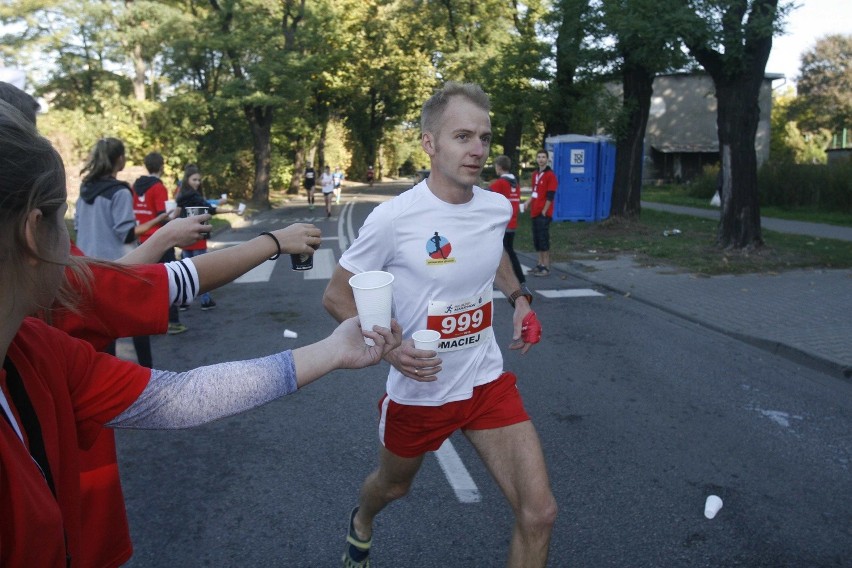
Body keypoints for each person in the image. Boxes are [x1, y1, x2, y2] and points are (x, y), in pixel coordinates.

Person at [0, 101, 402, 566]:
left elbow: (181, 397)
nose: (75, 252)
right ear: (34, 233)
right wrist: (272, 243)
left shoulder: (36, 349)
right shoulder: (39, 345)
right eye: (63, 226)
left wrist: (332, 350)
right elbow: (165, 291)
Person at [323, 82, 556, 568]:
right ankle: (362, 520)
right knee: (393, 487)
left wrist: (519, 299)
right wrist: (389, 350)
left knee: (539, 514)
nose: (477, 150)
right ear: (429, 143)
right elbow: (336, 295)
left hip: (484, 381)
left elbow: (495, 257)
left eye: (485, 138)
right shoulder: (394, 218)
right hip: (421, 387)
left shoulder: (496, 206)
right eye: (463, 136)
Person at [133, 151, 186, 336]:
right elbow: (161, 216)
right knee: (167, 278)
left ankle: (148, 320)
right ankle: (172, 322)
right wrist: (176, 215)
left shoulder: (136, 186)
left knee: (146, 282)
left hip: (141, 239)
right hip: (159, 240)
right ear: (162, 166)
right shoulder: (158, 187)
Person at [175, 164, 238, 311]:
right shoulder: (194, 195)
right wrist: (231, 210)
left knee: (186, 268)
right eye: (194, 179)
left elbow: (178, 212)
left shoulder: (181, 194)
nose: (197, 182)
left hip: (185, 235)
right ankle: (205, 300)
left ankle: (184, 300)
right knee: (201, 269)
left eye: (198, 180)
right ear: (187, 180)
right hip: (198, 234)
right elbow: (209, 208)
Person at [488, 154, 530, 291]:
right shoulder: (515, 184)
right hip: (512, 223)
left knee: (501, 253)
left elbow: (485, 194)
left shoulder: (500, 183)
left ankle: (510, 281)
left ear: (498, 167)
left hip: (502, 225)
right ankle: (520, 279)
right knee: (509, 251)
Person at [527, 149, 558, 277]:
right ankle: (540, 264)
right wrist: (528, 202)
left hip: (543, 213)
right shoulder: (535, 174)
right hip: (535, 211)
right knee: (537, 239)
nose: (541, 159)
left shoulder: (550, 175)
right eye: (539, 157)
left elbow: (550, 195)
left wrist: (545, 210)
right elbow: (534, 192)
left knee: (544, 239)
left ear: (547, 159)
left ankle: (546, 266)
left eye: (543, 157)